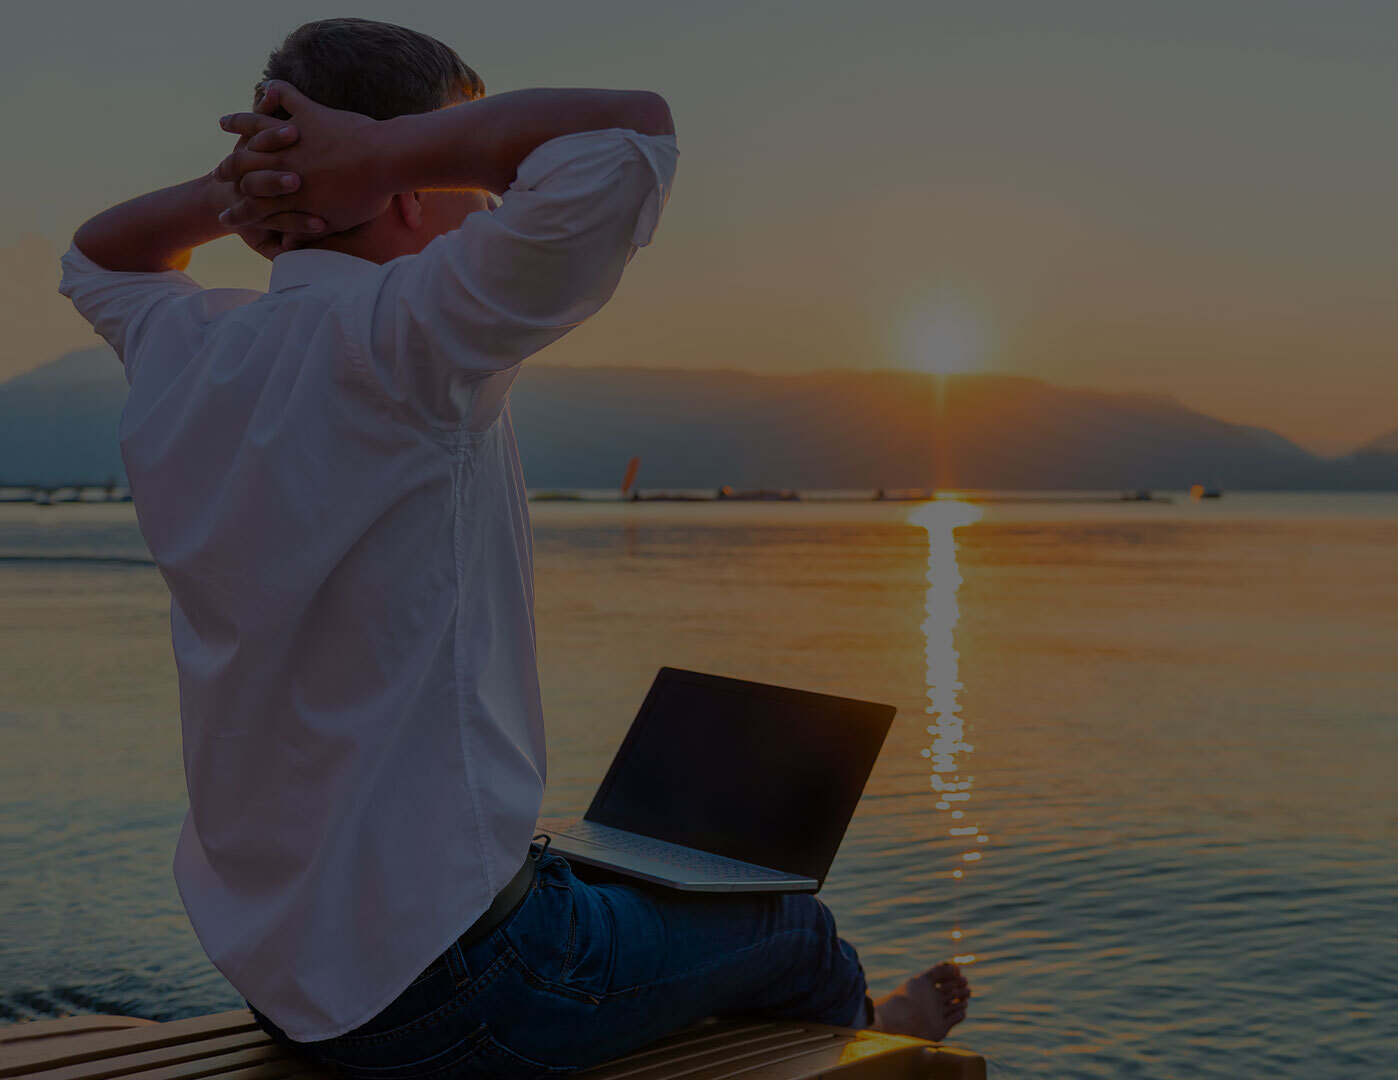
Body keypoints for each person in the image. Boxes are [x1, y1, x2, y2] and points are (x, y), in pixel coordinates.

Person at [58, 18, 969, 1077]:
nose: (487, 196)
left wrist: (259, 181)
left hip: (290, 983)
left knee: (618, 882)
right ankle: (883, 1040)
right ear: (403, 189)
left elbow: (98, 250)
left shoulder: (192, 348)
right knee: (791, 929)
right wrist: (378, 153)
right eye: (466, 171)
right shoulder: (413, 337)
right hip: (454, 996)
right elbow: (631, 134)